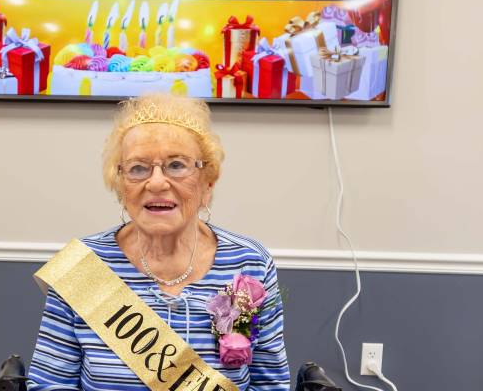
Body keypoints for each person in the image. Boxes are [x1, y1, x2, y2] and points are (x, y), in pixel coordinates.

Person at [27, 94, 290, 390]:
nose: (155, 183)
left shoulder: (249, 262)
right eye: (138, 168)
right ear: (120, 186)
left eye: (176, 165)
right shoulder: (84, 266)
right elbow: (50, 384)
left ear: (208, 182)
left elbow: (270, 385)